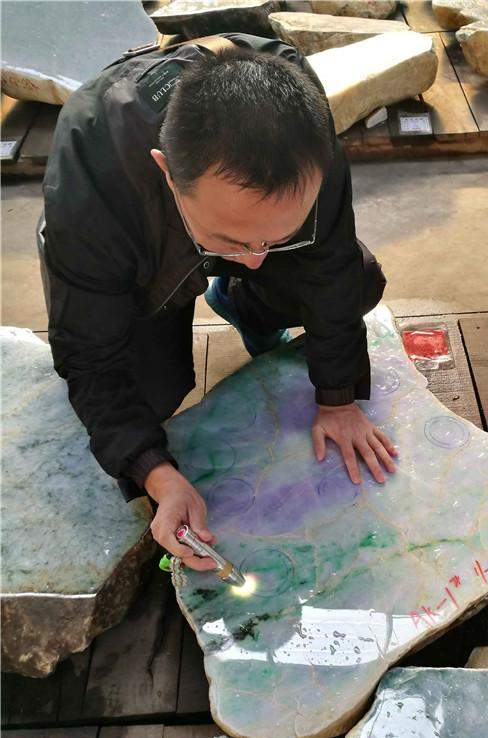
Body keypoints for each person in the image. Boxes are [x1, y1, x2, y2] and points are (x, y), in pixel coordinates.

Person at [39, 33, 397, 571]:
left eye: (274, 240)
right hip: (132, 247)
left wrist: (338, 398)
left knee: (357, 281)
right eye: (234, 241)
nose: (255, 261)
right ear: (166, 171)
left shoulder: (302, 124)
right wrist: (158, 475)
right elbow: (89, 354)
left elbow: (331, 266)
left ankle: (239, 300)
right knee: (152, 395)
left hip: (199, 216)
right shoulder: (92, 171)